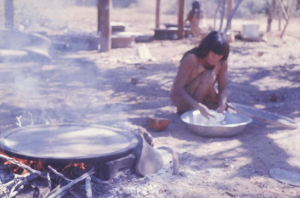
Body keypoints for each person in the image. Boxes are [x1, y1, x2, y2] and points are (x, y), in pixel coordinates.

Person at [169, 31, 229, 118]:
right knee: (209, 75)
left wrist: (221, 105)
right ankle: (192, 111)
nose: (215, 58)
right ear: (206, 49)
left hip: (203, 100)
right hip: (184, 100)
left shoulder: (222, 61)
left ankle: (198, 110)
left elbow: (223, 88)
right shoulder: (191, 59)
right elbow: (177, 88)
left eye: (219, 55)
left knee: (223, 108)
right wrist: (198, 106)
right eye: (213, 54)